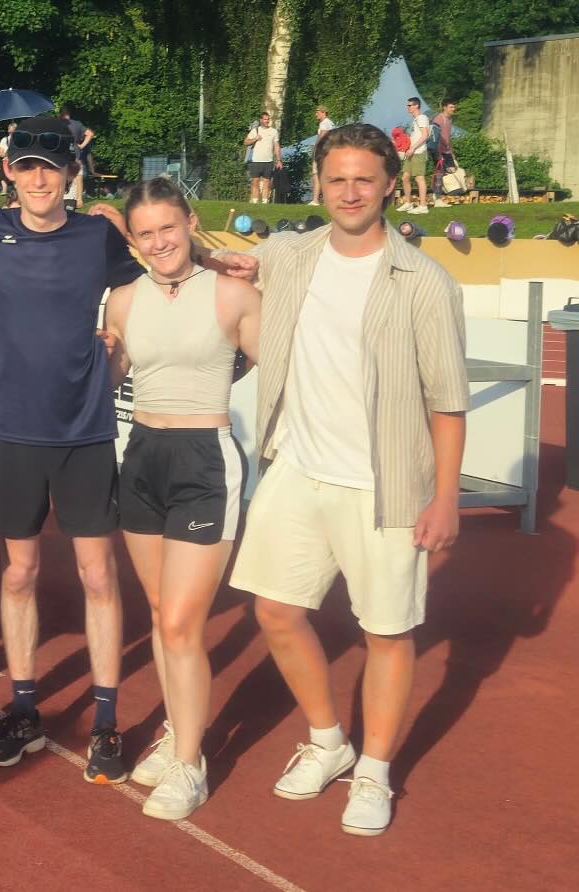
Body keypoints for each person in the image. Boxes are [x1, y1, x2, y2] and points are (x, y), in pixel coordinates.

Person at [227, 123, 467, 836]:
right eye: (337, 180)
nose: (350, 192)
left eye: (364, 179)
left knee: (387, 631)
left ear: (390, 183)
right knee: (274, 610)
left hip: (384, 482)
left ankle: (376, 772)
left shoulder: (424, 281)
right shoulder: (290, 255)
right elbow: (217, 260)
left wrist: (446, 496)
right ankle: (330, 742)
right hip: (298, 467)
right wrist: (136, 236)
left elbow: (446, 401)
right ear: (320, 186)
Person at [0, 116, 142, 784]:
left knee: (98, 576)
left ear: (72, 170)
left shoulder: (98, 236)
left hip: (85, 431)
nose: (40, 177)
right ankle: (24, 709)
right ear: (9, 170)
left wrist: (121, 352)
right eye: (27, 165)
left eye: (52, 165)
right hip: (13, 431)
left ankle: (104, 721)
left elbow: (156, 277)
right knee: (18, 574)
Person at [101, 177, 261, 820]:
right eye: (146, 233)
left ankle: (191, 763)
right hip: (140, 456)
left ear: (191, 222)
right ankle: (178, 733)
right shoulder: (122, 300)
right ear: (134, 242)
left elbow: (276, 369)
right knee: (161, 609)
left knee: (180, 624)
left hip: (204, 460)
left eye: (169, 227)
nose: (160, 241)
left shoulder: (232, 293)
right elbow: (113, 376)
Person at [398, 97, 431, 213]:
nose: (408, 107)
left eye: (410, 105)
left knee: (419, 178)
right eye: (408, 105)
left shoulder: (421, 118)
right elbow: (417, 135)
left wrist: (412, 148)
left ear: (416, 106)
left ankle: (423, 206)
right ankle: (408, 203)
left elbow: (425, 135)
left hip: (418, 152)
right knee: (405, 177)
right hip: (411, 152)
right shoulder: (416, 119)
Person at [244, 111, 281, 203]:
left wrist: (279, 160)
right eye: (265, 119)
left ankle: (265, 201)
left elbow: (276, 146)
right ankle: (255, 200)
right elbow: (246, 142)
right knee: (255, 181)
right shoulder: (256, 130)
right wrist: (255, 139)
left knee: (266, 182)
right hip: (256, 160)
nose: (267, 121)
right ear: (261, 120)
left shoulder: (273, 131)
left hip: (268, 161)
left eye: (268, 119)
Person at [429, 100, 456, 208]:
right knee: (439, 174)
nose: (453, 109)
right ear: (444, 107)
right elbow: (435, 137)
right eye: (451, 107)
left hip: (447, 151)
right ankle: (437, 199)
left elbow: (447, 138)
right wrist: (438, 153)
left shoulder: (449, 119)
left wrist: (451, 151)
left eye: (454, 107)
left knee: (452, 170)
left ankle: (438, 195)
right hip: (439, 151)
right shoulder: (439, 119)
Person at [309, 106, 335, 205]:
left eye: (317, 112)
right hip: (328, 152)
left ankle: (315, 200)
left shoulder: (324, 123)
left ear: (323, 112)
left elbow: (322, 137)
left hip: (321, 153)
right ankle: (325, 199)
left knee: (316, 175)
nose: (316, 114)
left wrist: (315, 148)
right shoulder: (330, 123)